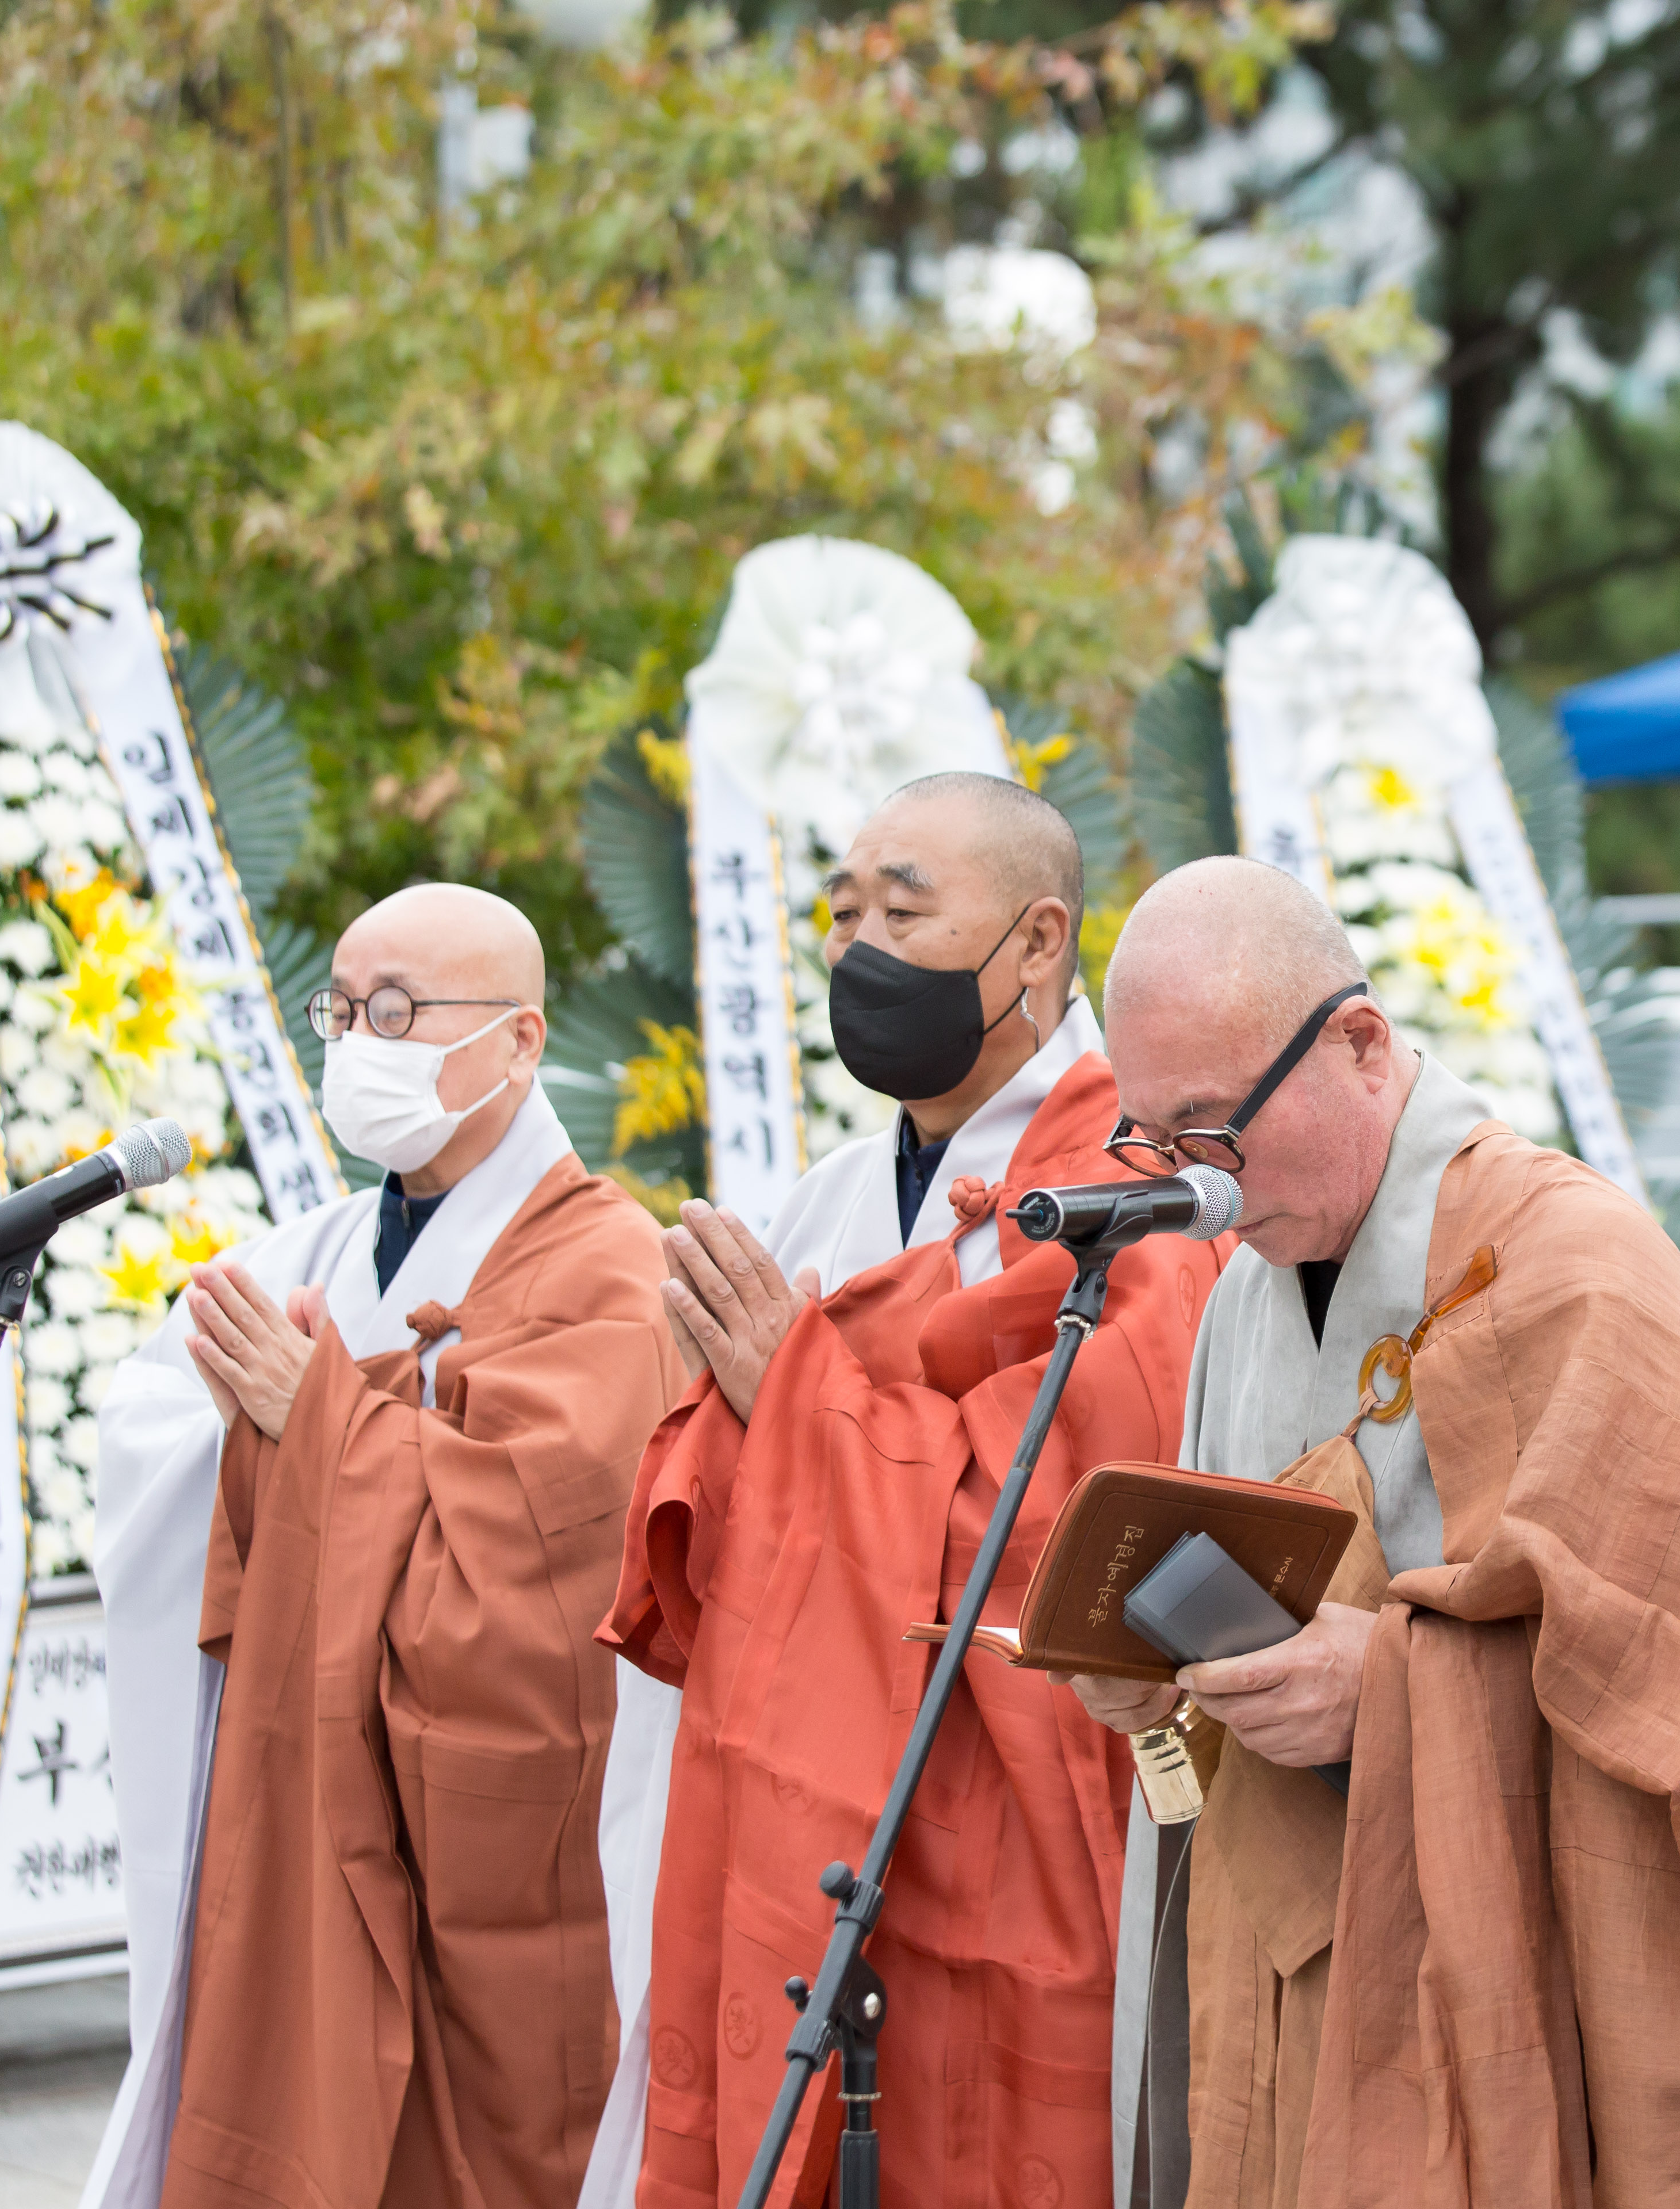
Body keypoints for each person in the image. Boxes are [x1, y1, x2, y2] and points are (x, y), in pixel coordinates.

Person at [1073, 857, 1680, 2209]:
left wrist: (1393, 1684)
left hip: (1490, 1987)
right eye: (1157, 1146)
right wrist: (1150, 1670)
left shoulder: (1565, 1261)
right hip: (1280, 1960)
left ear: (1359, 1042)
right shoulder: (1242, 1294)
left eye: (1214, 1130)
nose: (1199, 1189)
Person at [596, 773, 1230, 2209]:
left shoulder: (1137, 1188)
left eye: (902, 906)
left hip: (1012, 1799)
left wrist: (799, 1396)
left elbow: (1076, 1510)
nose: (859, 946)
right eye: (838, 913)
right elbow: (713, 1504)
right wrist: (765, 1401)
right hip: (812, 1786)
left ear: (1034, 942)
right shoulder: (819, 1199)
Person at [79, 884, 677, 2209]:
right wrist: (290, 1430)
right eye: (342, 1008)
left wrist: (323, 1423)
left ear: (519, 1040)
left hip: (489, 1853)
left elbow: (540, 1578)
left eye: (399, 1009)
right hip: (317, 1788)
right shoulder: (332, 1242)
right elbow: (181, 1426)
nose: (362, 1037)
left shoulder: (607, 1270)